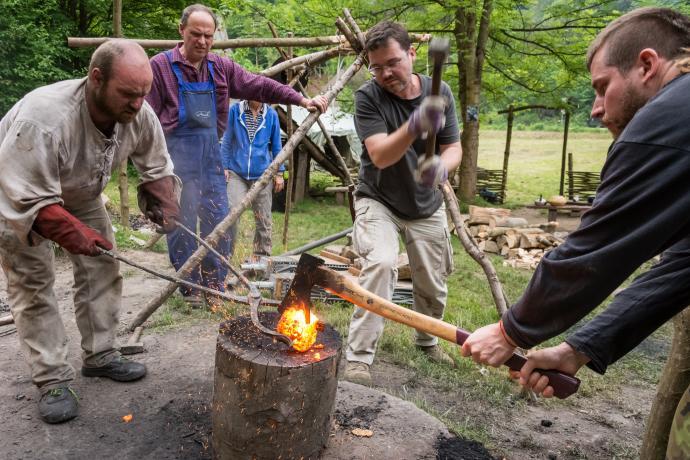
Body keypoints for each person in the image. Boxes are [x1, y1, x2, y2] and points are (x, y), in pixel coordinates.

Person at [460, 7, 690, 456]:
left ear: (646, 65)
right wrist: (579, 348)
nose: (596, 109)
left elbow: (593, 252)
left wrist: (511, 332)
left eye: (603, 87)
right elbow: (682, 267)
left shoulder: (665, 120)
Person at [0, 39, 181, 424]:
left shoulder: (138, 112)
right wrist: (73, 233)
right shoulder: (44, 119)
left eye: (144, 93)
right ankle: (51, 379)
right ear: (96, 79)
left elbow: (157, 167)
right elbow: (32, 203)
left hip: (81, 192)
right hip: (18, 195)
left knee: (104, 266)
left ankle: (100, 354)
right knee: (33, 284)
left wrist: (164, 200)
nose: (137, 103)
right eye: (129, 94)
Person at [146, 4, 327, 307]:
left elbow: (259, 84)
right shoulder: (159, 67)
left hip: (211, 157)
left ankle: (215, 283)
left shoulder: (221, 68)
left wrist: (300, 98)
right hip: (175, 158)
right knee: (183, 223)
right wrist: (152, 172)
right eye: (196, 35)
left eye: (208, 35)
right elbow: (146, 119)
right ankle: (189, 286)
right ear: (181, 31)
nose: (202, 42)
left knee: (223, 220)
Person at [343, 21, 463, 386]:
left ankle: (427, 340)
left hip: (426, 203)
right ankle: (358, 357)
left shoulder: (439, 92)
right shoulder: (368, 97)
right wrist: (414, 125)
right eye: (376, 67)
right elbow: (379, 155)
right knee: (379, 264)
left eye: (392, 62)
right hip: (377, 198)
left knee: (433, 280)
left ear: (412, 54)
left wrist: (442, 167)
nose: (385, 73)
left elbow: (453, 147)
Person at [221, 100, 284, 262]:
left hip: (263, 174)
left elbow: (277, 146)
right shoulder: (235, 111)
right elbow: (227, 140)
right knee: (231, 212)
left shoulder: (271, 115)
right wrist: (223, 165)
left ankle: (261, 259)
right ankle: (226, 257)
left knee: (263, 218)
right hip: (237, 172)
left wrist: (279, 172)